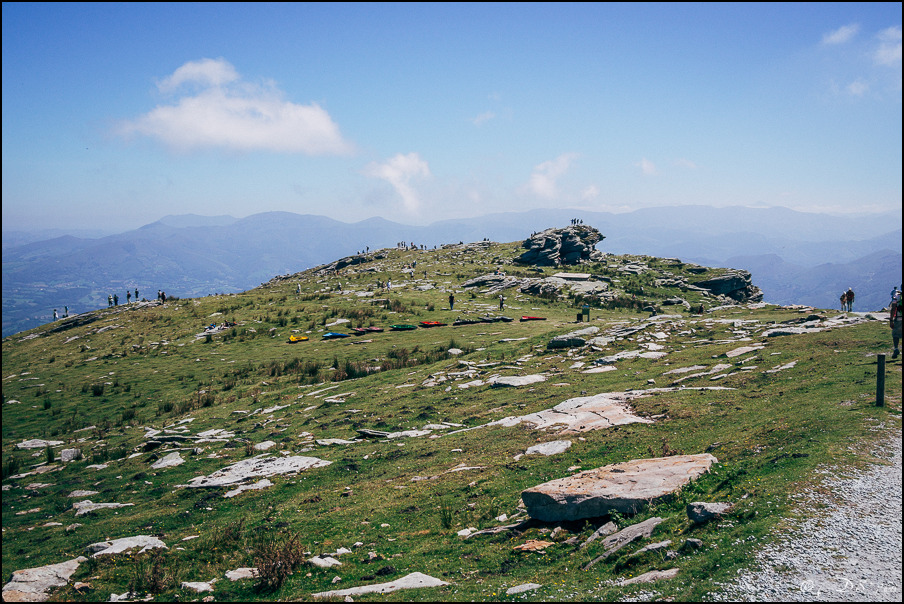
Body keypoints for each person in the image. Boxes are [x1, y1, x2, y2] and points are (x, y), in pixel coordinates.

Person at [891, 294, 903, 359]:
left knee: (895, 335)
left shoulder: (897, 296)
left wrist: (891, 320)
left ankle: (896, 348)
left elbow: (893, 309)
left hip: (898, 319)